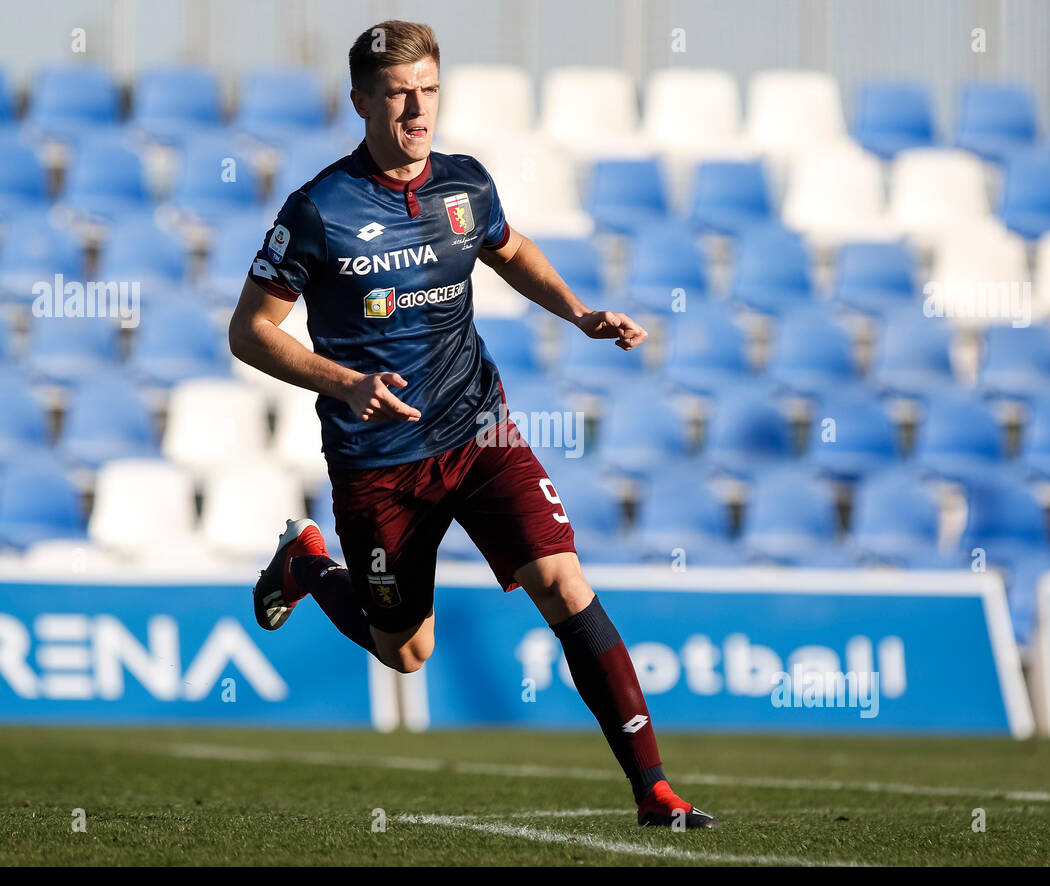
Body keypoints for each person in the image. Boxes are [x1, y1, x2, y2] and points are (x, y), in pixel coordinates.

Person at [228, 19, 718, 829]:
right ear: (360, 100)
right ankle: (310, 565)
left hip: (479, 431)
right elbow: (250, 330)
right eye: (396, 93)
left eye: (427, 90)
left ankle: (654, 790)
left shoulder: (465, 185)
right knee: (406, 652)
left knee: (565, 583)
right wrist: (346, 382)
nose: (417, 110)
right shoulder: (318, 209)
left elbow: (510, 247)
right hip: (377, 459)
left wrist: (579, 312)